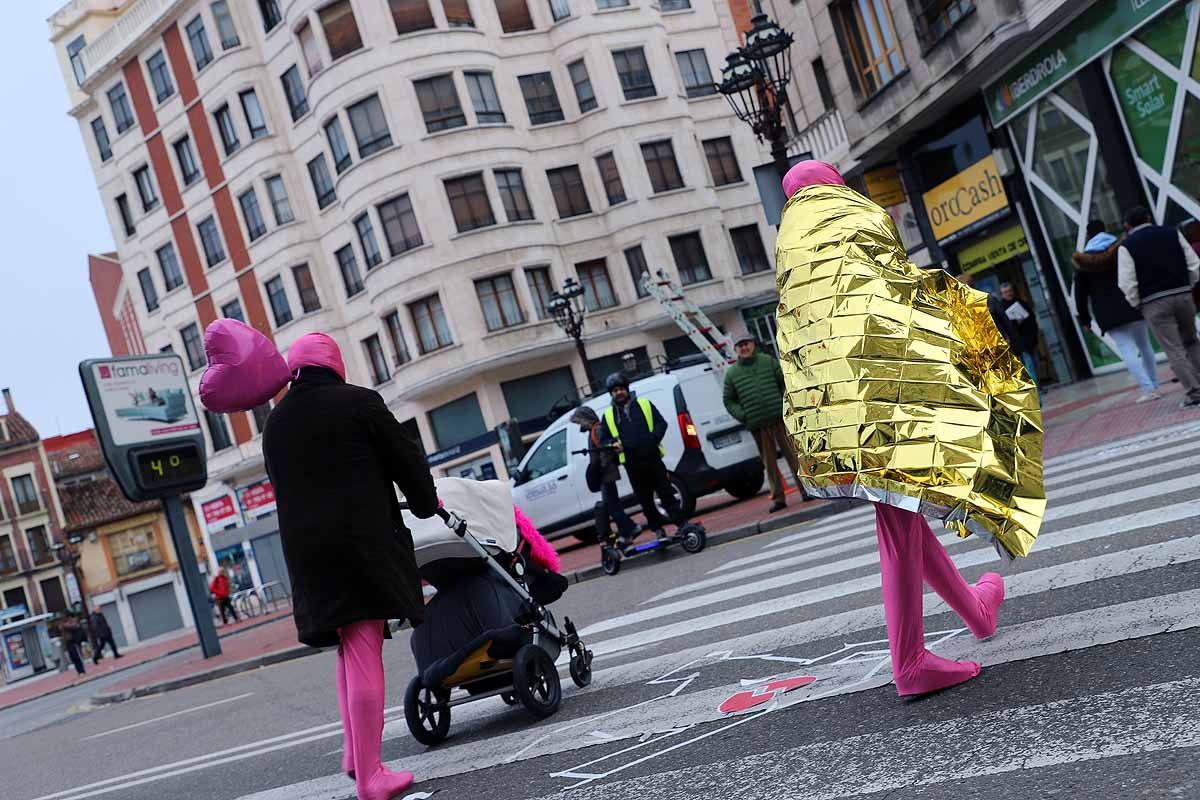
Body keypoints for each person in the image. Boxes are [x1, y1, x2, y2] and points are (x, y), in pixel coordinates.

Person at [777, 161, 1045, 697]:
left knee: (900, 511)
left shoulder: (789, 241)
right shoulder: (859, 212)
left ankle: (976, 611)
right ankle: (911, 663)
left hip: (828, 405)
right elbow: (897, 294)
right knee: (900, 517)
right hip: (885, 388)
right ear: (835, 182)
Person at [201, 320, 438, 800]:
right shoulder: (359, 403)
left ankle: (355, 754)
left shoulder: (277, 425)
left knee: (348, 645)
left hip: (308, 555)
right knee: (366, 644)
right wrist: (425, 501)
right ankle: (372, 777)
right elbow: (405, 459)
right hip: (361, 546)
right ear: (335, 364)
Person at [1117, 206, 1200, 408]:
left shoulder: (1127, 246)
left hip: (1153, 302)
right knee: (1192, 341)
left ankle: (1195, 393)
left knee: (1173, 348)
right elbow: (1193, 262)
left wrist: (1137, 303)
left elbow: (1126, 282)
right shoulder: (1172, 233)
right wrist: (1188, 285)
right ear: (1148, 218)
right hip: (1183, 294)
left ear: (1127, 226)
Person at [722, 327, 809, 512]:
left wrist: (785, 405)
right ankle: (778, 498)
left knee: (793, 457)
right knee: (769, 464)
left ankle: (806, 490)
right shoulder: (732, 374)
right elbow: (728, 400)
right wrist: (744, 415)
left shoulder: (768, 362)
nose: (744, 347)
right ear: (736, 350)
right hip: (757, 424)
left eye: (746, 343)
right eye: (740, 345)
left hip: (779, 418)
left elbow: (784, 383)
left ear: (753, 344)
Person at [1072, 220, 1160, 402]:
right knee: (1145, 346)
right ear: (1104, 230)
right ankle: (1155, 385)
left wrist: (1085, 320)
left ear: (1088, 236)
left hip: (1109, 314)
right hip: (1133, 304)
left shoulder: (1083, 263)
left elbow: (1080, 296)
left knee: (1127, 350)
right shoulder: (1122, 250)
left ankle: (1148, 389)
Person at [598, 373, 686, 542]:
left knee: (666, 493)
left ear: (627, 389)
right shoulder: (608, 416)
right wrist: (613, 444)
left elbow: (662, 423)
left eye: (621, 389)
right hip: (632, 464)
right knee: (646, 500)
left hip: (652, 458)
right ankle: (658, 529)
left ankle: (682, 524)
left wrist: (653, 439)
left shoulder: (644, 404)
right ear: (611, 393)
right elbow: (604, 440)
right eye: (615, 390)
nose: (618, 393)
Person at [569, 405, 640, 546]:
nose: (579, 425)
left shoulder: (597, 430)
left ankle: (631, 528)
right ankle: (627, 534)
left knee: (612, 506)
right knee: (613, 505)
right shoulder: (594, 430)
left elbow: (605, 451)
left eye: (580, 421)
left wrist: (598, 468)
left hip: (606, 474)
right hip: (605, 473)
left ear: (586, 419)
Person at [956, 272, 1019, 350]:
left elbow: (1005, 321)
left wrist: (1012, 340)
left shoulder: (988, 300)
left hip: (997, 344)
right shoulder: (961, 308)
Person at [999, 282, 1041, 387]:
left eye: (1009, 291)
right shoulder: (1001, 308)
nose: (1008, 294)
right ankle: (1036, 388)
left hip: (1031, 339)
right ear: (1002, 294)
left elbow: (1032, 319)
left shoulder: (1022, 303)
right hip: (1018, 343)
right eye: (1005, 292)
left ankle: (1036, 386)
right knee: (1029, 365)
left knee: (1035, 364)